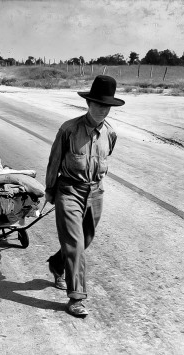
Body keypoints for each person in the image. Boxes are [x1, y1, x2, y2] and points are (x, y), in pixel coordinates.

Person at [44, 75, 125, 318]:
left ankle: (57, 265)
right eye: (98, 104)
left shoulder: (110, 133)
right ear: (88, 104)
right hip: (68, 191)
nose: (102, 110)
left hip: (95, 193)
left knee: (85, 240)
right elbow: (54, 161)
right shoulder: (68, 129)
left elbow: (106, 157)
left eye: (107, 106)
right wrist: (50, 190)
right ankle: (76, 298)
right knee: (76, 244)